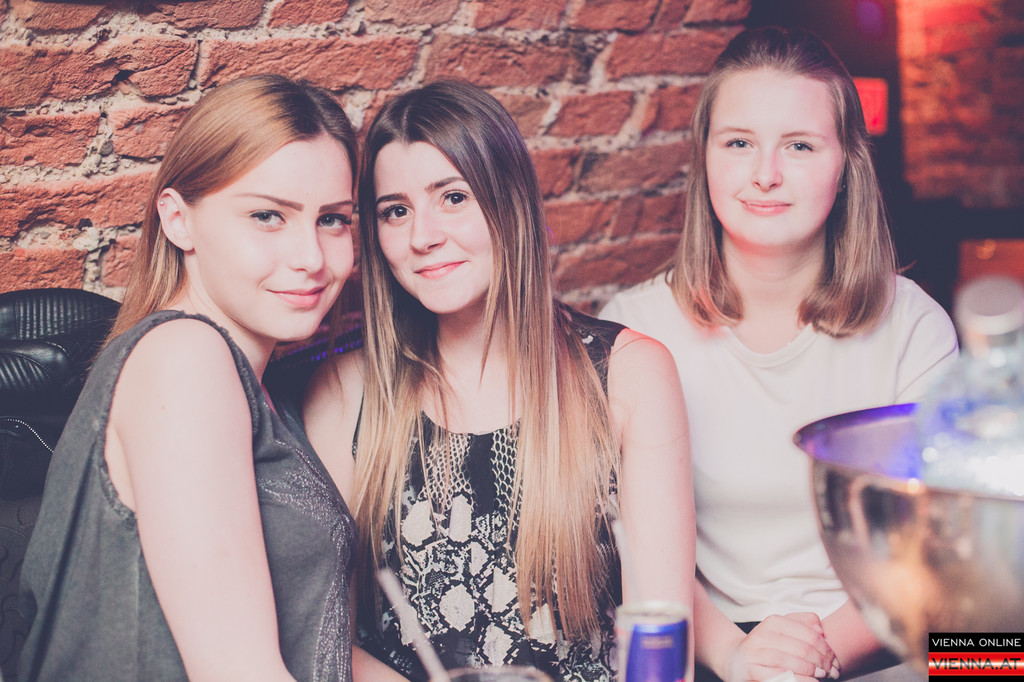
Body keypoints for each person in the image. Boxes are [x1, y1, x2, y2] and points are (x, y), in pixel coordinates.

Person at [302, 79, 695, 682]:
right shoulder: (346, 390)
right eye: (396, 211)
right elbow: (323, 640)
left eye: (453, 197)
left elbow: (664, 650)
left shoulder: (628, 374)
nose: (422, 236)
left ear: (509, 201)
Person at [600, 27, 958, 682]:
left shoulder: (915, 326)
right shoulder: (632, 328)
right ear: (704, 157)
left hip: (882, 648)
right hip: (714, 654)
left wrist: (811, 658)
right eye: (739, 143)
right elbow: (627, 543)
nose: (765, 175)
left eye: (799, 145)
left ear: (847, 166)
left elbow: (929, 549)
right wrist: (736, 656)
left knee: (1000, 650)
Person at [18, 74, 360, 681]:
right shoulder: (185, 359)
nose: (311, 257)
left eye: (333, 219)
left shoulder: (261, 389)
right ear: (178, 220)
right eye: (267, 216)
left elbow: (319, 648)